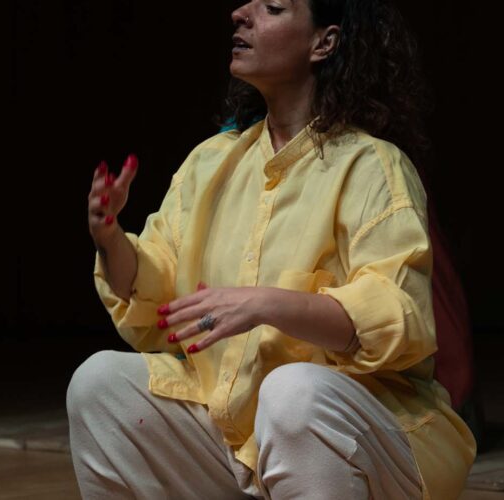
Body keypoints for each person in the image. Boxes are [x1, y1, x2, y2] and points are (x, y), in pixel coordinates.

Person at [67, 0, 477, 498]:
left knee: (291, 392)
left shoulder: (372, 166)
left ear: (324, 42)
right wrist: (110, 239)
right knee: (99, 384)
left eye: (273, 7)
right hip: (235, 432)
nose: (240, 14)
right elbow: (157, 301)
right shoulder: (210, 162)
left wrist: (266, 303)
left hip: (361, 433)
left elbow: (397, 318)